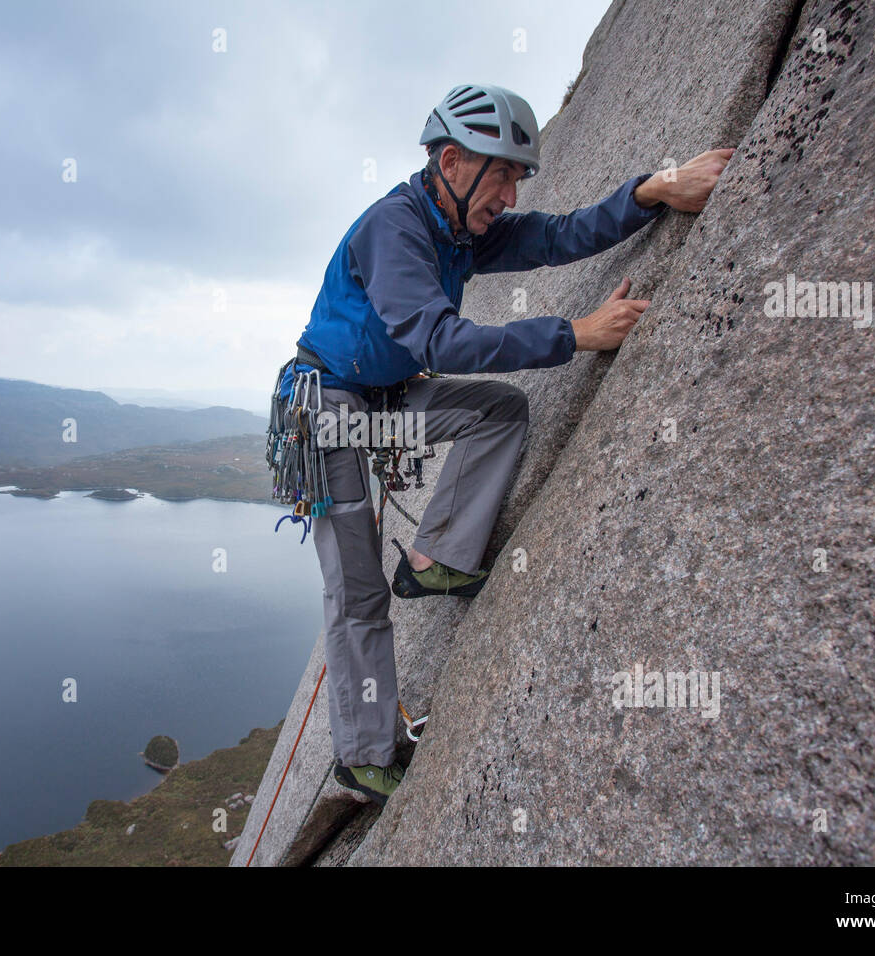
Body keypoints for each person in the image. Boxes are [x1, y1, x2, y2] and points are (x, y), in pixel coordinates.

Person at [275, 83, 732, 805]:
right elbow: (438, 339)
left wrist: (653, 191)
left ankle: (435, 560)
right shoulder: (396, 229)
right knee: (357, 595)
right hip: (329, 410)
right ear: (451, 161)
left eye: (519, 178)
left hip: (379, 398)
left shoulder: (459, 228)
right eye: (504, 175)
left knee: (499, 412)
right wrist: (573, 335)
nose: (512, 197)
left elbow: (557, 236)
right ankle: (364, 756)